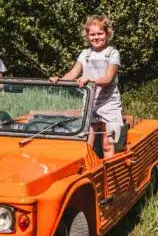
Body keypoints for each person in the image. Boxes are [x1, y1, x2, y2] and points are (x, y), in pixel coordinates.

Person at [50, 15, 123, 158]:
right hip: (90, 100)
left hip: (108, 102)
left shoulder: (112, 53)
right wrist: (59, 80)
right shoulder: (85, 54)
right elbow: (73, 73)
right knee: (86, 142)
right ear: (87, 36)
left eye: (100, 33)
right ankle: (87, 169)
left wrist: (90, 80)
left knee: (107, 144)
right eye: (92, 34)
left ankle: (107, 170)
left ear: (107, 34)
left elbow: (108, 79)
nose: (96, 37)